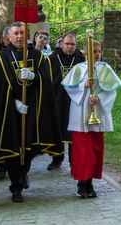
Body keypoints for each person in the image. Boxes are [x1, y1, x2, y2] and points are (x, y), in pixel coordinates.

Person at [0, 22, 62, 203]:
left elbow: (46, 81)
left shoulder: (36, 55)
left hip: (33, 111)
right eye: (16, 34)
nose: (20, 36)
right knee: (13, 148)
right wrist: (14, 102)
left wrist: (35, 77)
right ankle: (16, 186)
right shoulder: (2, 57)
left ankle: (23, 174)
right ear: (9, 37)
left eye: (22, 33)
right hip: (10, 111)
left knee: (29, 148)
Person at [62, 40, 121, 198]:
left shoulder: (105, 69)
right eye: (93, 51)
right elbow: (69, 87)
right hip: (81, 112)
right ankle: (81, 183)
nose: (96, 54)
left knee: (95, 149)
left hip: (98, 112)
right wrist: (83, 85)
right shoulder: (78, 69)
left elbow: (112, 91)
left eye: (98, 51)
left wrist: (100, 99)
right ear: (84, 53)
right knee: (82, 150)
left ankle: (90, 183)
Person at [47, 32, 85, 170]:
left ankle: (74, 161)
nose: (69, 47)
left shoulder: (81, 60)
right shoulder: (52, 59)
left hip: (76, 102)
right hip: (57, 99)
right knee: (57, 130)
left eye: (72, 44)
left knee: (74, 132)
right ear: (61, 44)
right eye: (67, 44)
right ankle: (57, 158)